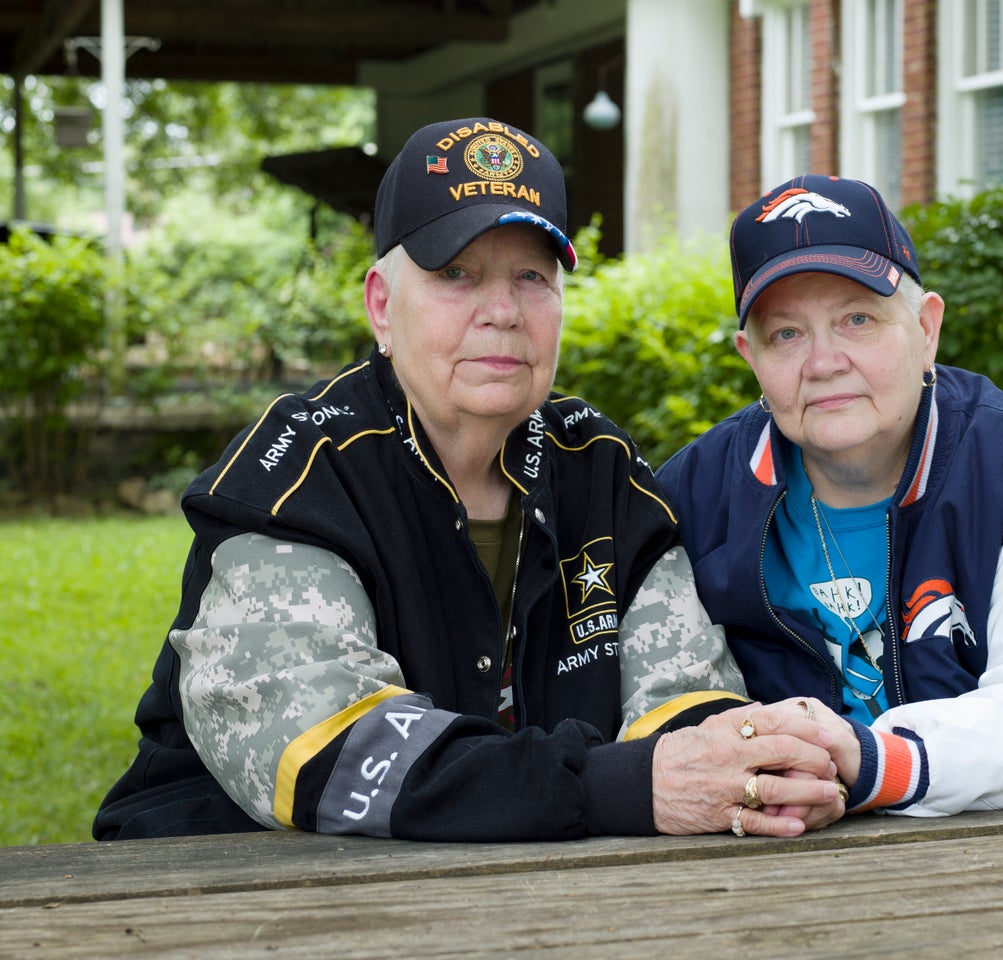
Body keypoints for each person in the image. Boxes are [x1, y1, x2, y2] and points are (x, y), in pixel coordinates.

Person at [94, 120, 848, 843]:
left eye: (531, 276)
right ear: (382, 307)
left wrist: (738, 765)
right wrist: (620, 785)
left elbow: (686, 705)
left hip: (537, 889)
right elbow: (334, 762)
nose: (502, 312)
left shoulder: (601, 470)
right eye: (456, 275)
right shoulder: (298, 479)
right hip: (230, 888)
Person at [656, 175, 1003, 817]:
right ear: (750, 357)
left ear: (927, 328)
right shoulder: (686, 499)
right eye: (786, 334)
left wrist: (876, 762)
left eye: (857, 319)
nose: (823, 362)